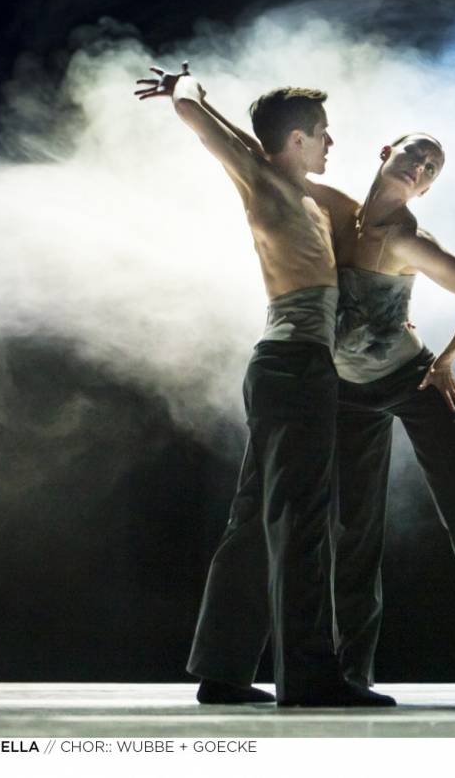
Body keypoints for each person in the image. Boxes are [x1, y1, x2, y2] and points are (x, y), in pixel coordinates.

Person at [136, 64, 393, 707]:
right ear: (299, 139)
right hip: (294, 370)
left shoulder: (302, 193)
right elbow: (206, 127)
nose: (332, 144)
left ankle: (222, 672)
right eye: (324, 134)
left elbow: (241, 136)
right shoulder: (268, 184)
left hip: (291, 369)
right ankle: (308, 676)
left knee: (255, 520)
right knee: (301, 523)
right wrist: (184, 92)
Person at [320, 133, 455, 705]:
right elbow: (264, 161)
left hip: (414, 382)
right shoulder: (338, 210)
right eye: (415, 154)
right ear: (385, 151)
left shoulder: (409, 239)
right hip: (348, 392)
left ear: (427, 187)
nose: (420, 167)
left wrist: (445, 361)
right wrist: (189, 96)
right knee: (353, 530)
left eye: (431, 168)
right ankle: (352, 673)